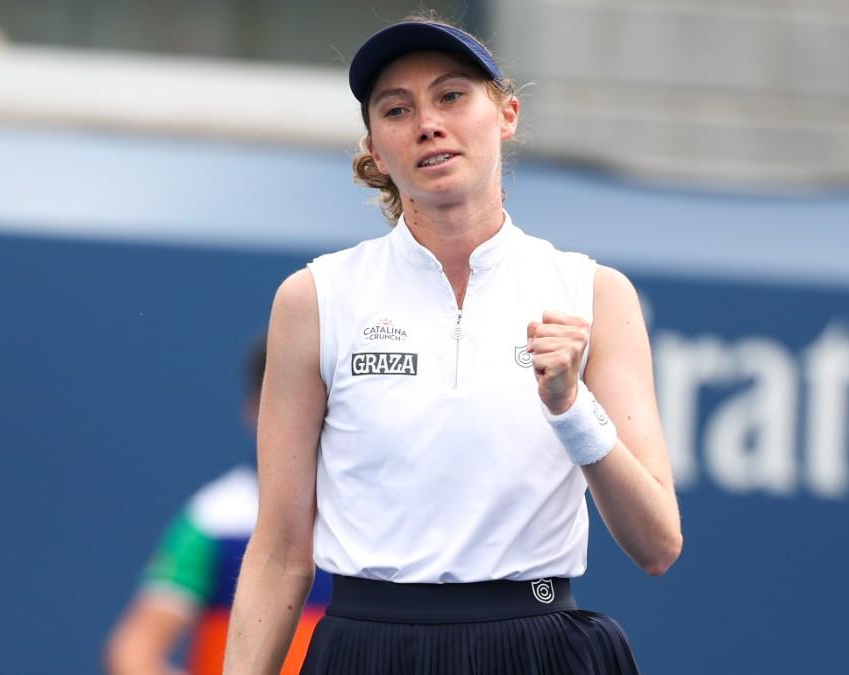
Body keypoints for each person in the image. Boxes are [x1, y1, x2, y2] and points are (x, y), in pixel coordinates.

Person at [223, 16, 683, 674]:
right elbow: (278, 550)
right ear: (376, 150)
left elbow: (657, 542)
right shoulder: (315, 298)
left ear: (507, 115)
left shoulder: (595, 292)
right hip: (367, 647)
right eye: (397, 108)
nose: (428, 123)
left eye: (451, 95)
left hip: (543, 644)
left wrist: (572, 408)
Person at [105, 336, 332, 675]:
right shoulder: (214, 520)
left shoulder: (378, 516)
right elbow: (134, 653)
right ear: (255, 410)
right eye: (287, 399)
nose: (308, 413)